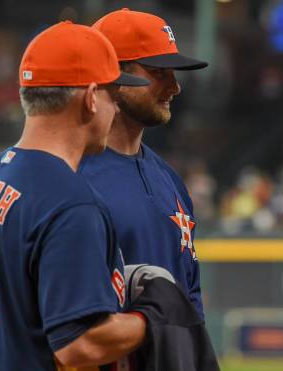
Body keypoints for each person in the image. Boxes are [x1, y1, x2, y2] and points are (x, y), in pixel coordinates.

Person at [0, 21, 152, 371]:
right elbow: (79, 343)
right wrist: (153, 322)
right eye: (112, 94)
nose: (115, 106)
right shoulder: (69, 202)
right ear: (90, 97)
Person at [79, 8, 208, 318]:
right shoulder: (72, 178)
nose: (175, 87)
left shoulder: (170, 180)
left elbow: (190, 299)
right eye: (159, 72)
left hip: (170, 364)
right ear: (114, 75)